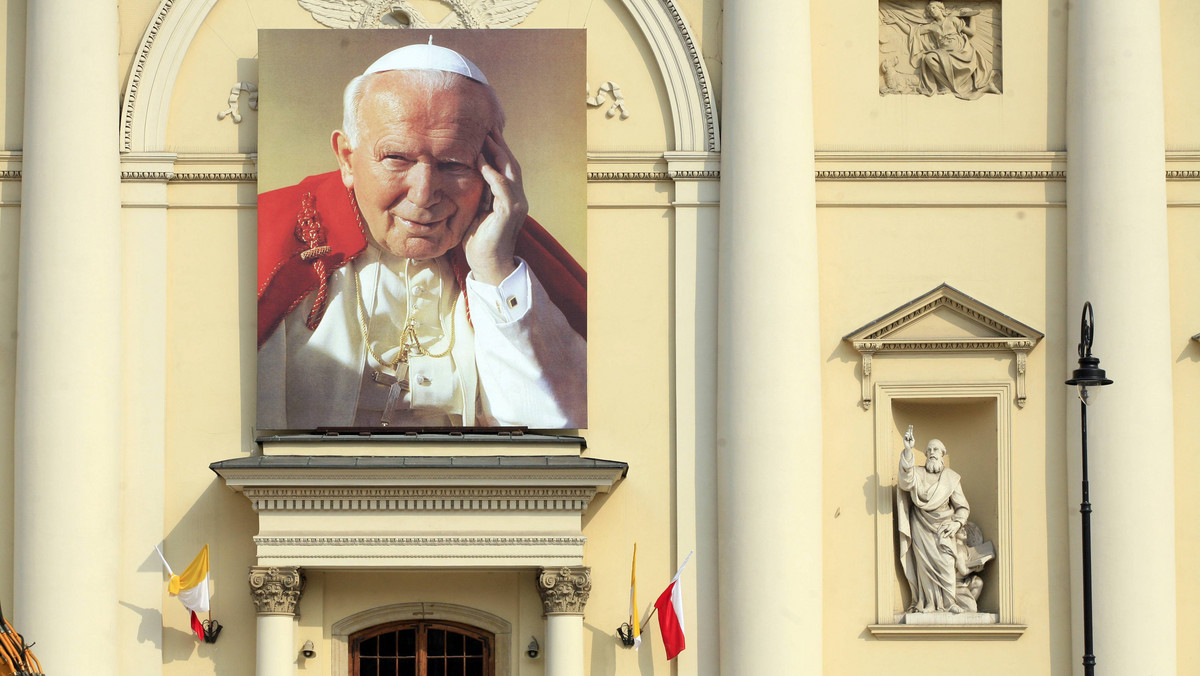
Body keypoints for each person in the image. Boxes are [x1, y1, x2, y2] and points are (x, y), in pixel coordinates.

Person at [257, 40, 586, 430]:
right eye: (397, 158)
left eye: (453, 163)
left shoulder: (513, 256)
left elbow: (555, 431)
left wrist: (494, 270)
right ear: (347, 158)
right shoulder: (263, 236)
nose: (424, 192)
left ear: (494, 166)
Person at [895, 429, 970, 613]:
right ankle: (928, 603)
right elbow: (905, 481)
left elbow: (962, 506)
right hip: (921, 525)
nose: (932, 453)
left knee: (946, 562)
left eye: (936, 449)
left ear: (942, 455)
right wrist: (907, 451)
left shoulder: (951, 478)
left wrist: (957, 523)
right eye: (929, 450)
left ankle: (950, 603)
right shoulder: (918, 474)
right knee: (924, 568)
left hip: (944, 527)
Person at [882, 1, 999, 100]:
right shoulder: (932, 26)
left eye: (934, 7)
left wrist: (972, 16)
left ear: (941, 9)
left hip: (962, 52)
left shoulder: (953, 20)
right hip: (944, 53)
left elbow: (971, 32)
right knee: (929, 58)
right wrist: (897, 21)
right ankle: (946, 86)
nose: (932, 10)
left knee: (936, 58)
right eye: (929, 9)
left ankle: (978, 86)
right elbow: (912, 30)